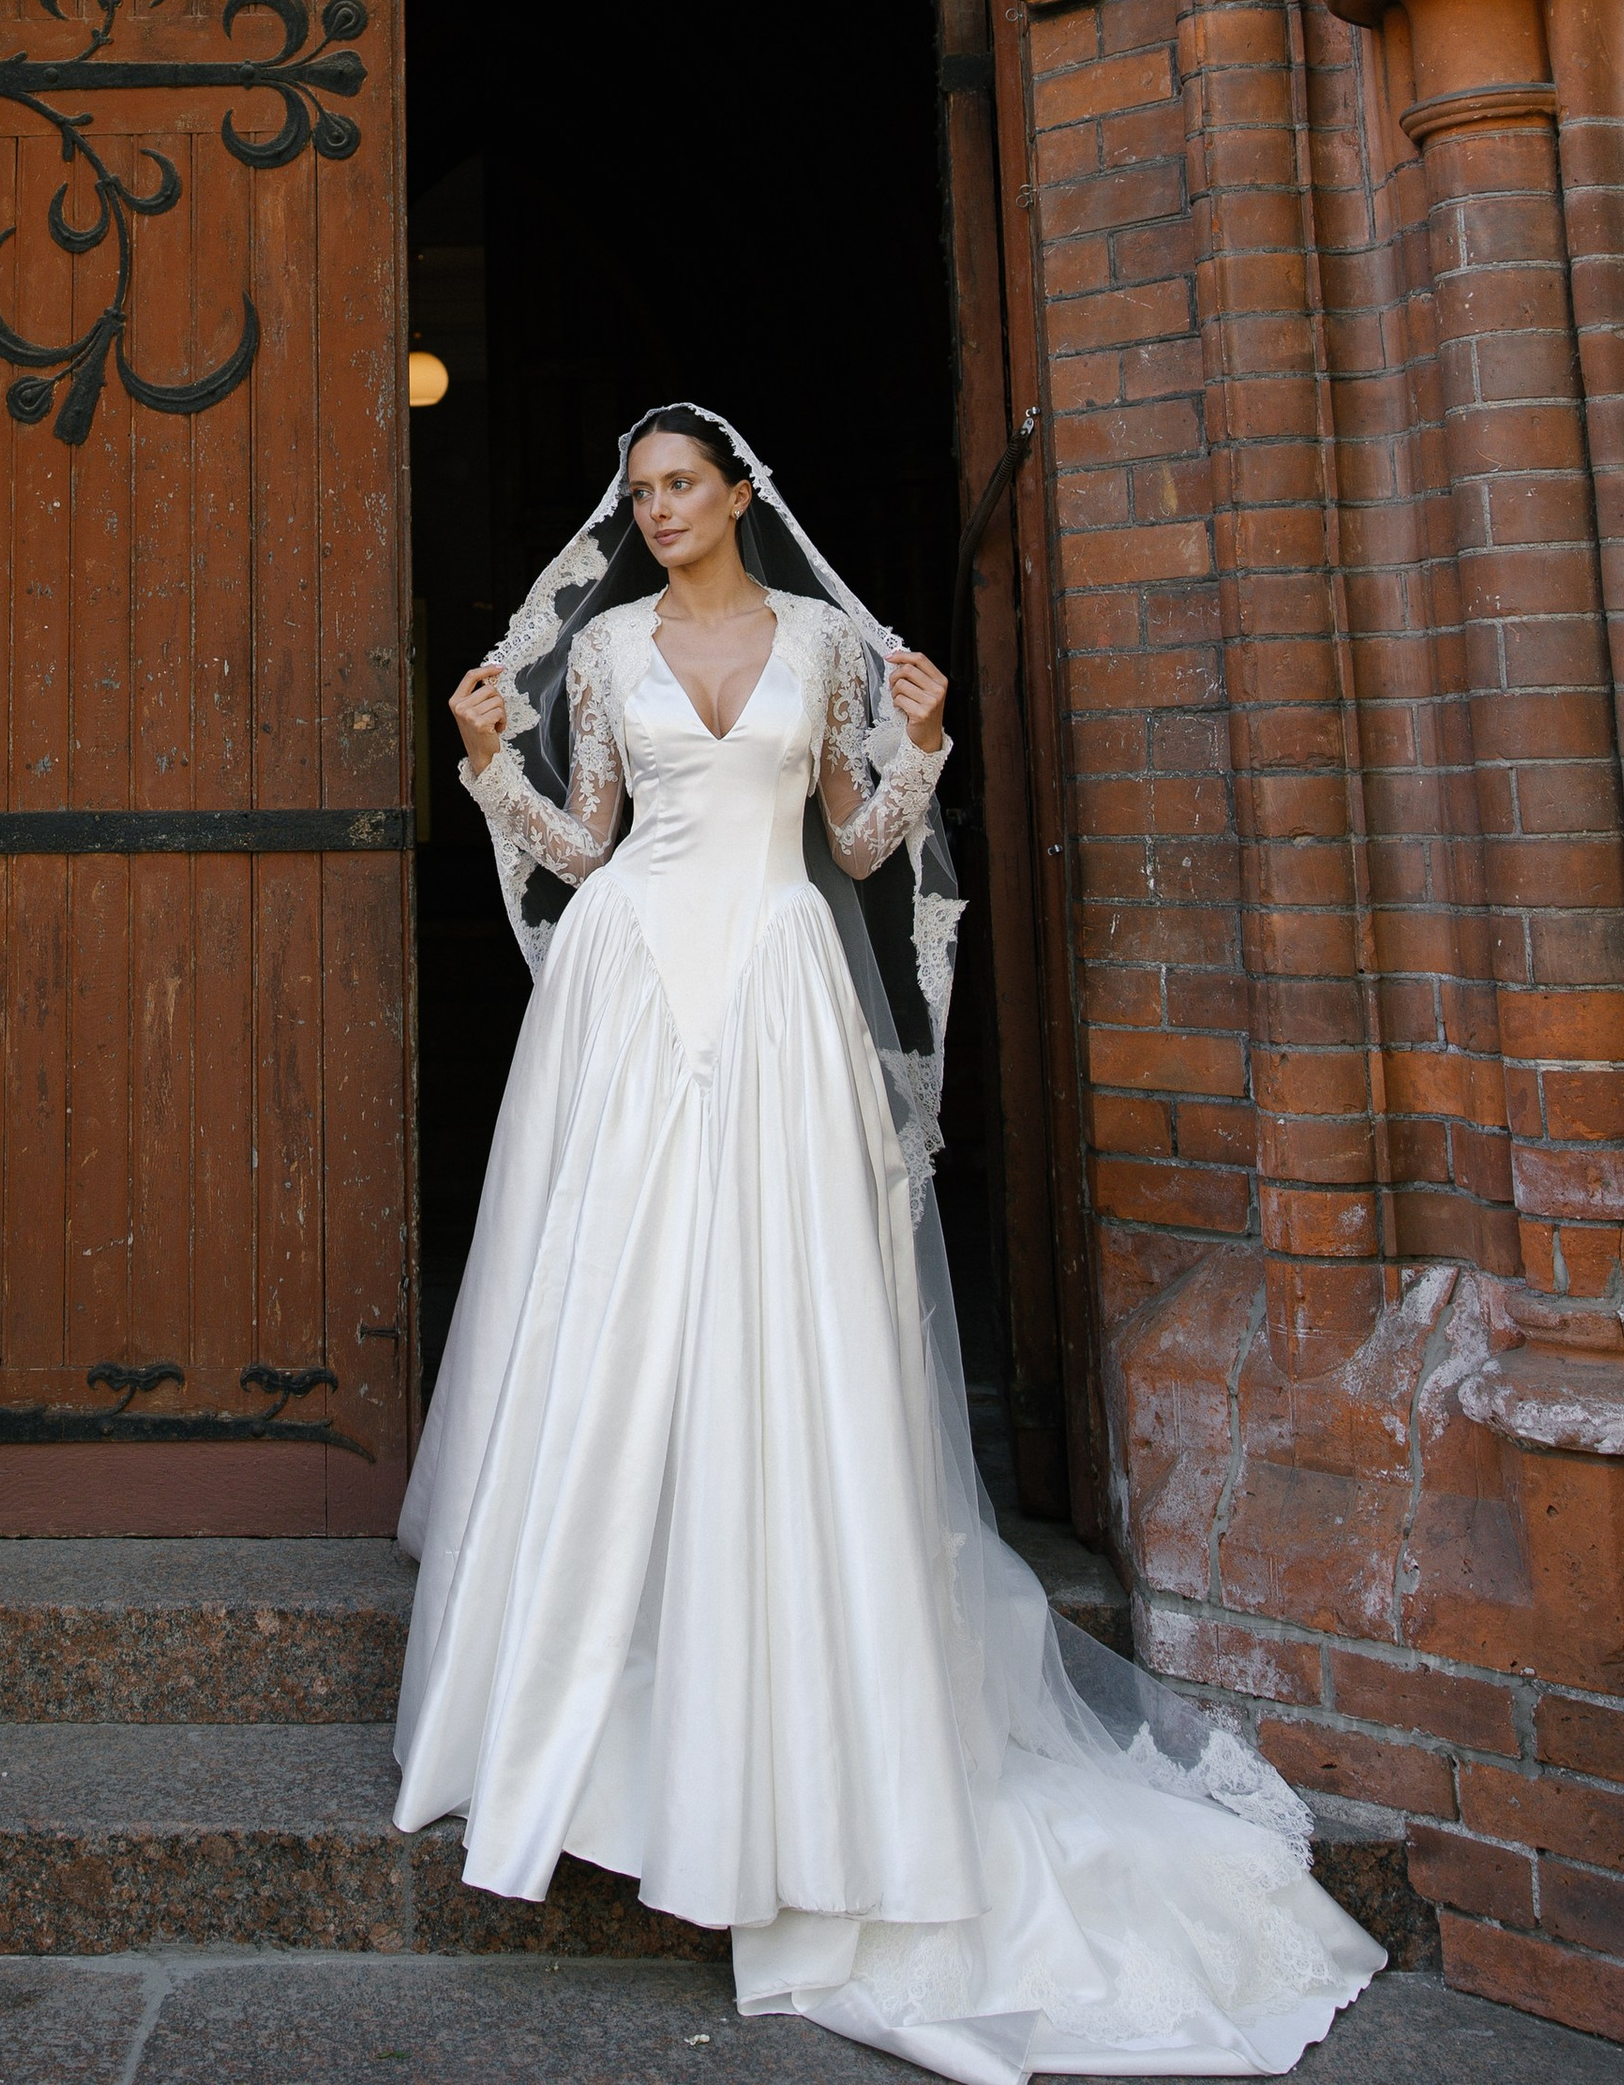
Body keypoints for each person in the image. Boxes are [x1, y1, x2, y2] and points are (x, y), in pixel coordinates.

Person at [393, 402, 1381, 2083]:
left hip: (780, 987)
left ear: (740, 492)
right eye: (638, 496)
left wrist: (921, 743)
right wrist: (491, 764)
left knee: (787, 1337)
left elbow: (855, 847)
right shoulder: (613, 648)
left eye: (683, 487)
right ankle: (581, 1700)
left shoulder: (832, 643)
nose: (658, 515)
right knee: (617, 1324)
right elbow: (586, 845)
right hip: (633, 992)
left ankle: (788, 1698)